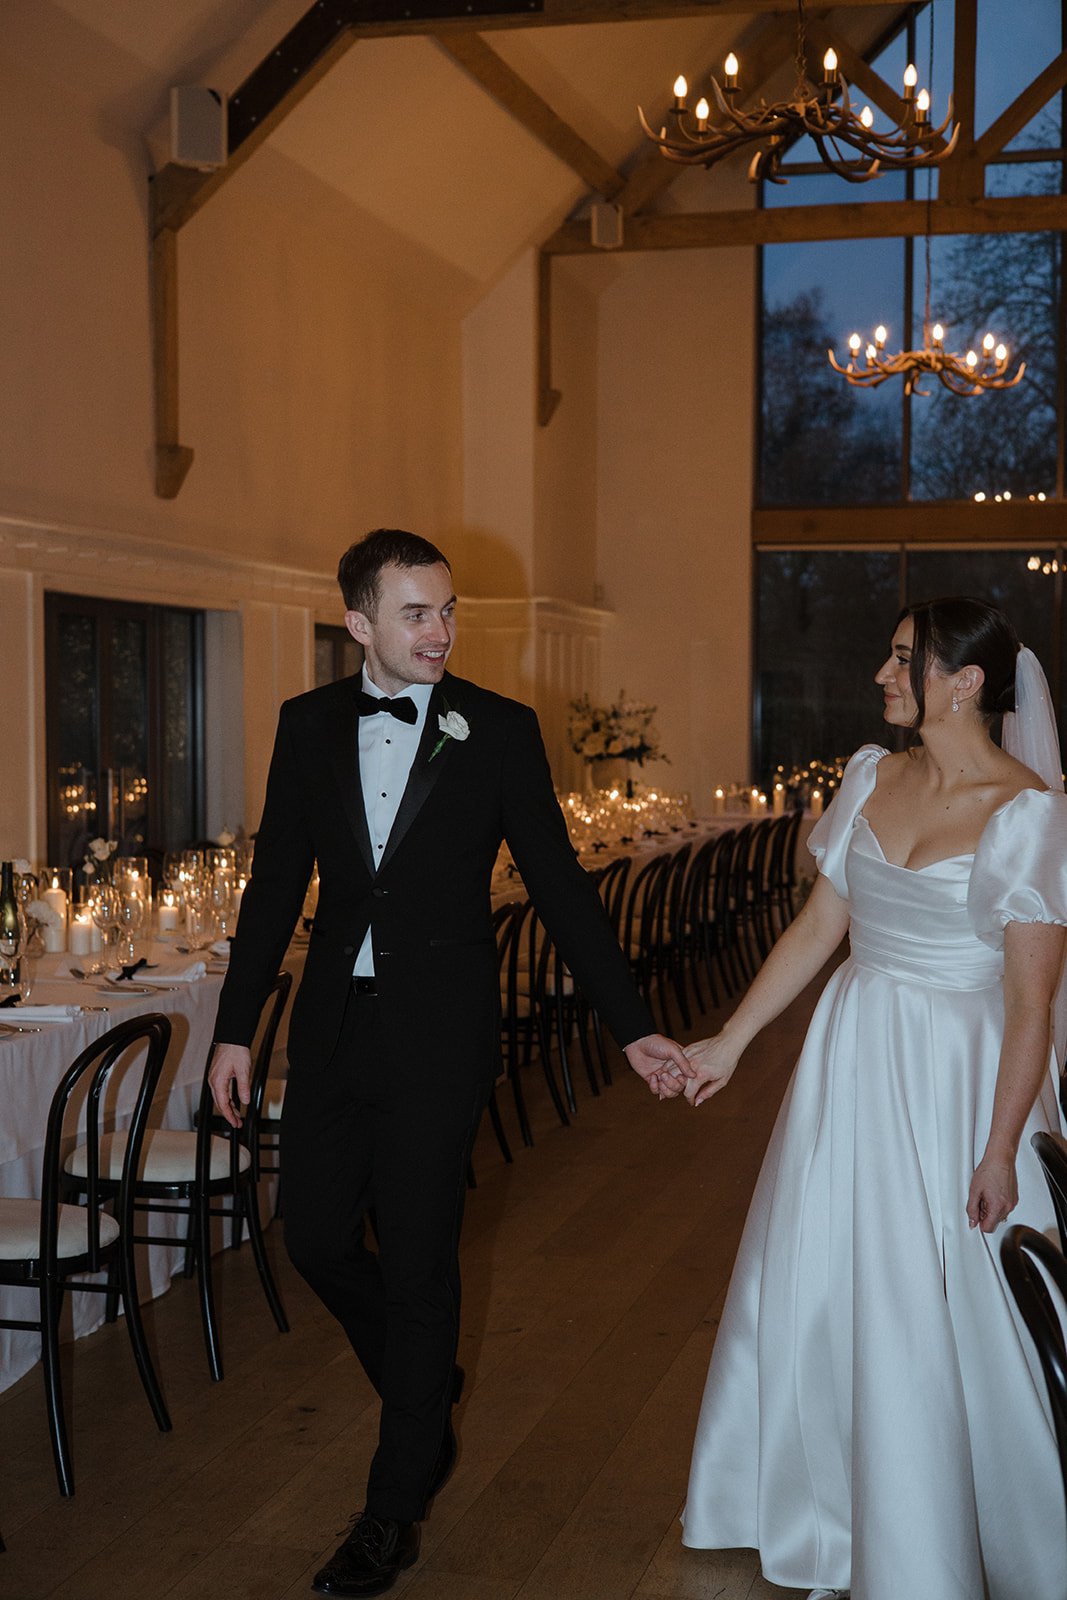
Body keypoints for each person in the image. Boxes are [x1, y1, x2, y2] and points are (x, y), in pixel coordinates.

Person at [209, 528, 691, 1599]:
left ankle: (391, 1512)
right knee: (316, 1236)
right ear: (358, 625)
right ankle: (426, 1386)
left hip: (439, 1035)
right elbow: (274, 886)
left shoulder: (499, 730)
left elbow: (563, 887)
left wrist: (630, 1025)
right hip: (332, 1027)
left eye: (447, 610)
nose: (440, 631)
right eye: (416, 613)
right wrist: (234, 1029)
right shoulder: (307, 725)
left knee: (423, 1262)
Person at [679, 597, 1067, 1600]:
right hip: (851, 1058)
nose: (882, 676)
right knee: (835, 1276)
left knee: (945, 1301)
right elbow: (817, 926)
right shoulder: (867, 775)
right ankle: (831, 1508)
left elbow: (1028, 1003)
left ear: (965, 682)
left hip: (959, 1075)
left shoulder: (1026, 812)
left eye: (903, 660)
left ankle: (949, 1535)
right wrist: (729, 1038)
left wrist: (994, 1150)